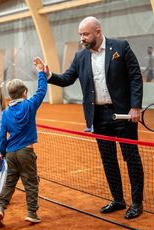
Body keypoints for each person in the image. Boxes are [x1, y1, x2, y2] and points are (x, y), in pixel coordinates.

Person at [39, 16, 144, 219]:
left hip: (123, 114)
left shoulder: (120, 47)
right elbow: (67, 79)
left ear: (98, 31)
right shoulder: (80, 57)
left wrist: (135, 107)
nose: (82, 38)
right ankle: (118, 200)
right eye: (80, 35)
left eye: (85, 34)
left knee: (131, 157)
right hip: (98, 116)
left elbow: (135, 76)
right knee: (108, 160)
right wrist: (49, 74)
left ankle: (137, 203)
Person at [0, 58, 47, 228]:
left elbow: (1, 136)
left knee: (9, 183)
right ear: (24, 93)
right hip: (26, 152)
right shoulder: (30, 105)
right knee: (30, 182)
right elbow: (42, 91)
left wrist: (2, 152)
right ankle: (32, 213)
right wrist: (40, 72)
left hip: (10, 153)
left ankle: (0, 208)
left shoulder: (6, 113)